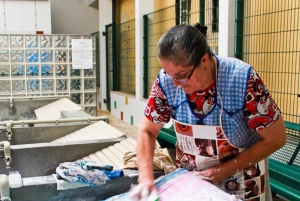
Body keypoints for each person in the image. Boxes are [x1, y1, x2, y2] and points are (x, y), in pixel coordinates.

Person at [134, 23, 286, 200]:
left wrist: (225, 170)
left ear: (204, 61)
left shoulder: (242, 79)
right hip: (193, 184)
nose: (175, 84)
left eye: (182, 76)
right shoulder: (166, 81)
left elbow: (276, 138)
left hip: (243, 180)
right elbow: (147, 130)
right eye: (170, 75)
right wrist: (145, 177)